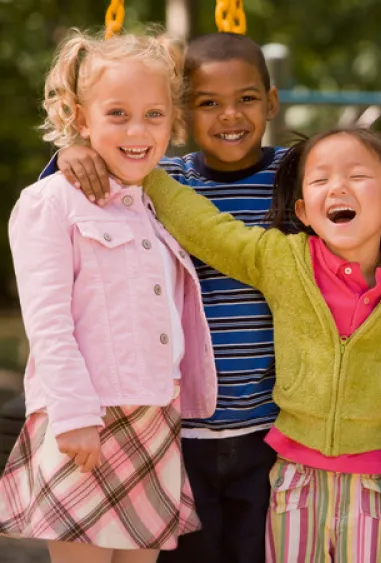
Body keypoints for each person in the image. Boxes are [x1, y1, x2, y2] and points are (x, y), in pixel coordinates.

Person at [46, 32, 285, 563]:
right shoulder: (158, 180)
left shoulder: (295, 176)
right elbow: (88, 188)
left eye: (246, 98)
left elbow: (368, 190)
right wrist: (73, 151)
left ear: (271, 102)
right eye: (206, 103)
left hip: (268, 427)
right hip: (177, 431)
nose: (229, 116)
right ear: (181, 112)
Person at [140, 125, 381, 563]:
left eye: (357, 175)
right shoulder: (282, 260)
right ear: (304, 211)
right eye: (320, 180)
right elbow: (206, 228)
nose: (338, 188)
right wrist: (142, 170)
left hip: (377, 482)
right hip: (296, 479)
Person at [0, 28, 217, 563]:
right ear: (80, 116)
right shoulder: (51, 202)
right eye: (117, 114)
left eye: (154, 115)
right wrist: (73, 416)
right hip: (86, 419)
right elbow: (48, 321)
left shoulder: (153, 201)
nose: (138, 130)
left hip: (154, 418)